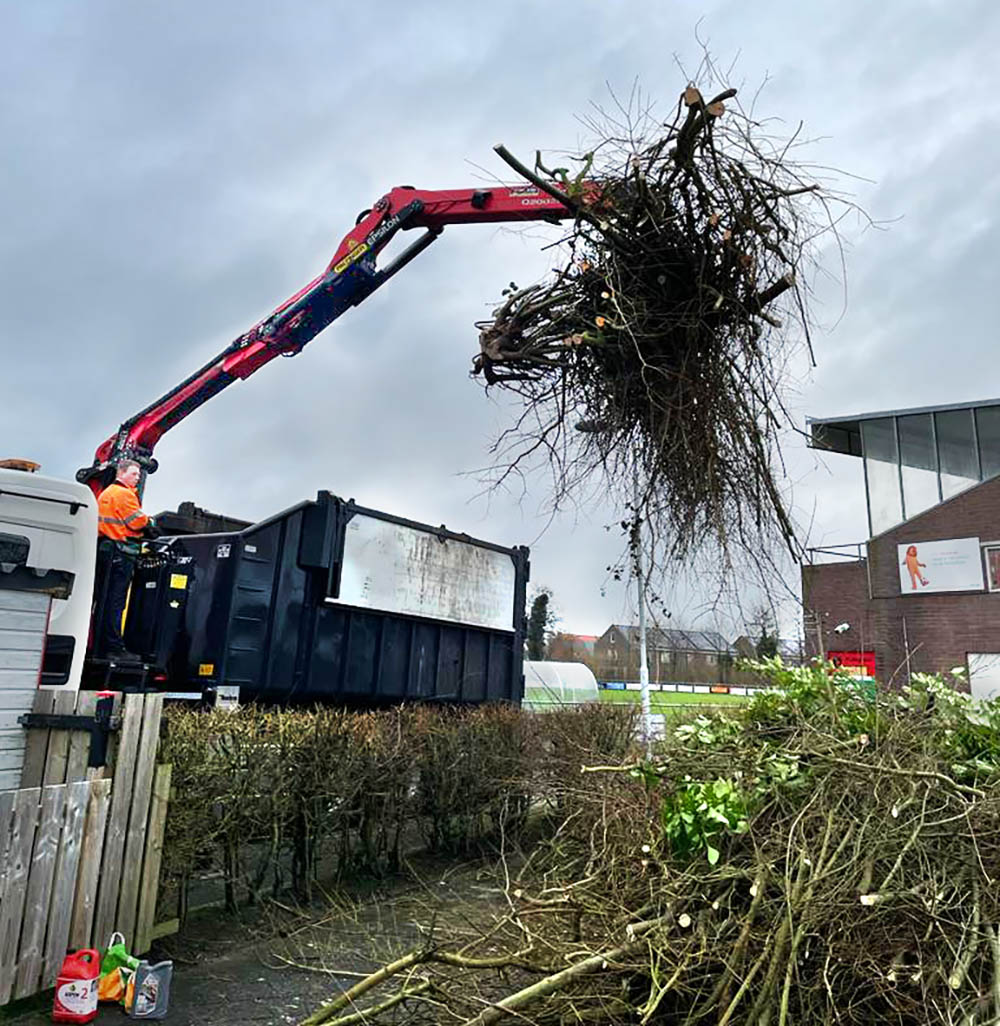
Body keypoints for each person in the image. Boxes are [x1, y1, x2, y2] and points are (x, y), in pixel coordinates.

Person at [94, 459, 154, 659]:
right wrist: (151, 522)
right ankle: (113, 648)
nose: (137, 478)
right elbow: (136, 522)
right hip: (121, 551)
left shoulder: (106, 493)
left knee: (103, 600)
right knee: (116, 602)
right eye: (134, 474)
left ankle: (100, 644)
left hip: (105, 550)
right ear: (122, 473)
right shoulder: (125, 494)